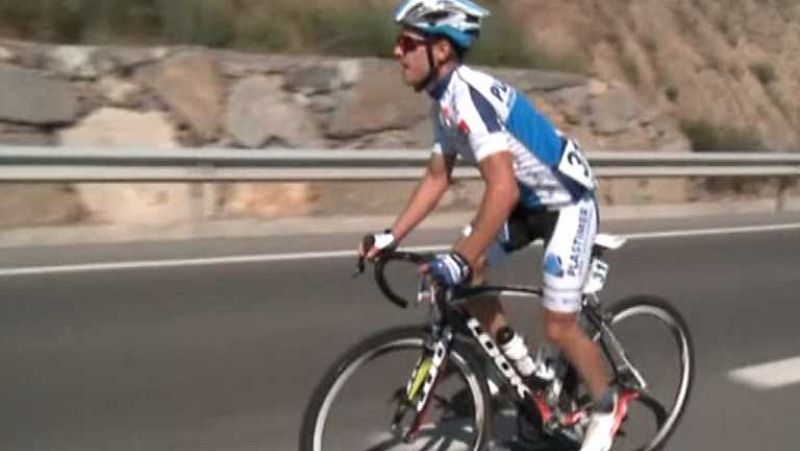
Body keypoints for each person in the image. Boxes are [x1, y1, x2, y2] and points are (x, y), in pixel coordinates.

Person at [358, 1, 622, 450]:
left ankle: (607, 405)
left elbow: (502, 190)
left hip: (567, 203)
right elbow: (437, 176)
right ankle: (526, 370)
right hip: (527, 200)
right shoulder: (444, 100)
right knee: (470, 270)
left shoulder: (468, 98)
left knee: (558, 325)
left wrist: (458, 259)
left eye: (407, 43)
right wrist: (391, 235)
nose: (396, 52)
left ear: (441, 50)